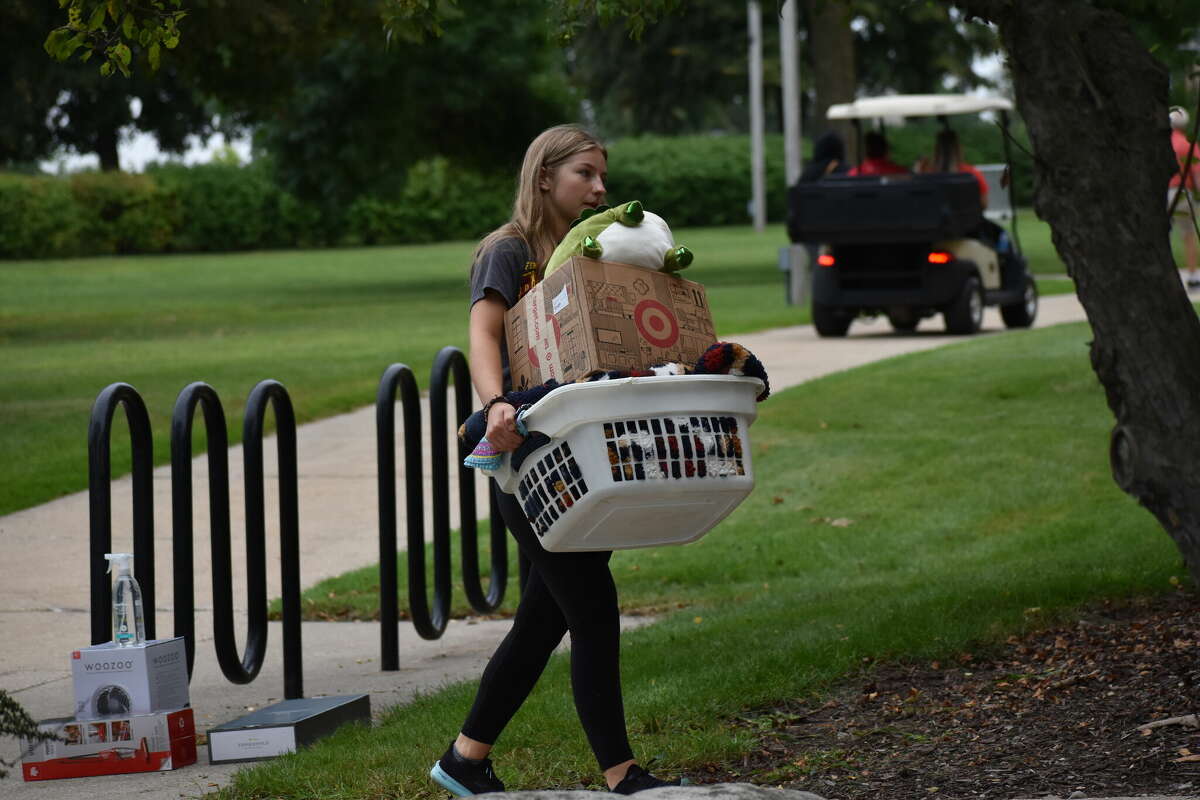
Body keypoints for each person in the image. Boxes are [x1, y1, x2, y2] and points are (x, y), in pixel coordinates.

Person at [429, 124, 683, 797]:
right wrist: (495, 404)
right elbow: (484, 332)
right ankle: (623, 774)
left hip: (580, 448)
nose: (601, 188)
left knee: (545, 618)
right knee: (593, 608)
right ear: (545, 176)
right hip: (526, 451)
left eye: (603, 176)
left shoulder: (589, 252)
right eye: (586, 175)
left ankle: (465, 760)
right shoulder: (507, 251)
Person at [1168, 106, 1200, 289]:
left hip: (1163, 193)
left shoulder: (1162, 145)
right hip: (1182, 193)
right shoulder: (1188, 145)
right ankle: (1193, 276)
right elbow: (1196, 172)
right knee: (1188, 235)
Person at [918, 129, 990, 207]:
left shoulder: (927, 174)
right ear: (958, 148)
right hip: (966, 218)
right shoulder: (972, 173)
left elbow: (920, 201)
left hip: (936, 218)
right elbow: (984, 204)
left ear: (936, 148)